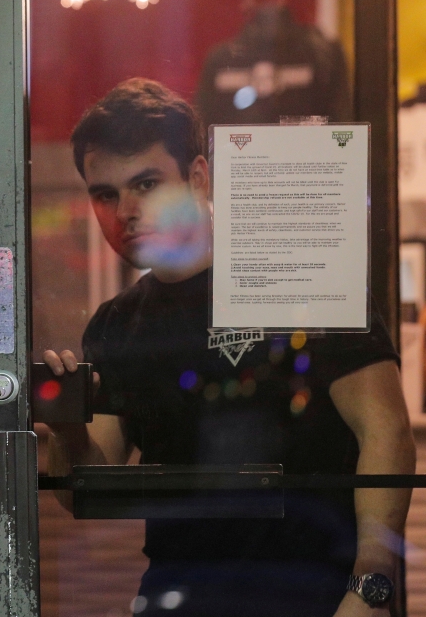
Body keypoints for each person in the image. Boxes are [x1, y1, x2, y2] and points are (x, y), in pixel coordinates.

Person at [44, 78, 415, 617]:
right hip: (179, 596)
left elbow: (387, 433)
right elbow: (87, 494)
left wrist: (369, 591)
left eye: (146, 184)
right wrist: (67, 430)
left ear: (198, 178)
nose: (125, 210)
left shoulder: (302, 278)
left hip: (313, 594)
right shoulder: (117, 323)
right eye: (106, 193)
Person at [194, 0, 352, 129]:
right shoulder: (323, 54)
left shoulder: (220, 59)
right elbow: (340, 127)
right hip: (303, 144)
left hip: (241, 145)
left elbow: (204, 129)